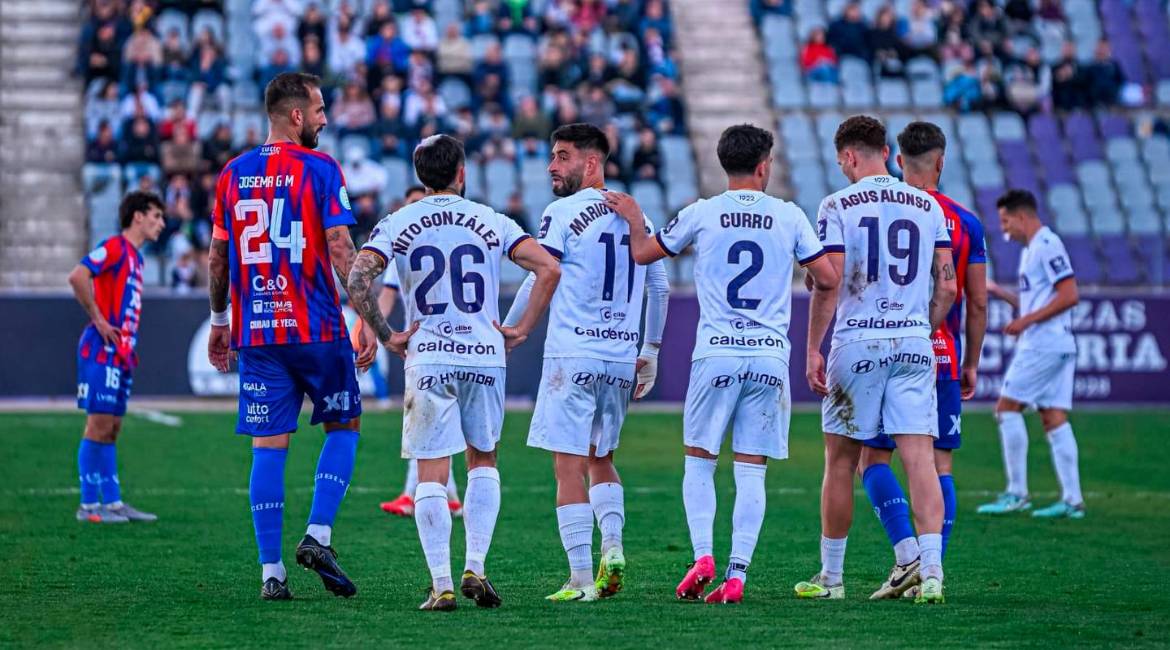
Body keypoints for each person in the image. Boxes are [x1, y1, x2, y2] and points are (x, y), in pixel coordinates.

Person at [613, 124, 837, 604]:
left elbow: (643, 253)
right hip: (769, 355)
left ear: (724, 165)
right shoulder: (789, 215)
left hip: (716, 350)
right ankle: (737, 573)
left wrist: (635, 218)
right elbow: (827, 276)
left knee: (700, 459)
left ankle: (702, 555)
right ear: (764, 166)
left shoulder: (703, 212)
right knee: (751, 468)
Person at [348, 134, 560, 611]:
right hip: (484, 354)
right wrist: (520, 327)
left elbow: (359, 277)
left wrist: (386, 335)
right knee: (483, 460)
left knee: (430, 474)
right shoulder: (491, 219)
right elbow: (548, 268)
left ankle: (442, 583)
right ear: (461, 173)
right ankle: (476, 567)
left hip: (428, 357)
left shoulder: (398, 222)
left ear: (420, 176)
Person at [206, 72, 378, 601]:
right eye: (320, 109)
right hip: (317, 326)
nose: (326, 118)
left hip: (257, 330)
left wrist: (219, 320)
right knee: (344, 423)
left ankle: (271, 574)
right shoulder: (321, 167)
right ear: (297, 115)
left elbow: (218, 257)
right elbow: (341, 248)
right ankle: (318, 535)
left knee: (268, 445)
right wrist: (365, 315)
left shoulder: (232, 174)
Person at [504, 123, 670, 603]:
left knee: (568, 466)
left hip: (572, 356)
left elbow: (541, 277)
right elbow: (658, 286)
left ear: (591, 163)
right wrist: (651, 350)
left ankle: (579, 579)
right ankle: (612, 547)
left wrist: (511, 330)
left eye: (561, 156)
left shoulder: (561, 212)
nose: (552, 166)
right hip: (620, 357)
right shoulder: (635, 214)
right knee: (603, 458)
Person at [794, 115, 956, 604]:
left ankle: (832, 577)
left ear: (848, 155)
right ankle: (931, 573)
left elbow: (831, 280)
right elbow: (946, 283)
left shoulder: (837, 203)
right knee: (920, 459)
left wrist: (812, 348)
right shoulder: (926, 205)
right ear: (886, 151)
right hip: (911, 341)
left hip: (859, 341)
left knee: (841, 462)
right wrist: (922, 328)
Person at [858, 122, 988, 599]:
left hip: (883, 347)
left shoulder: (874, 209)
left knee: (872, 458)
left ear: (897, 160)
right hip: (940, 356)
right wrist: (970, 360)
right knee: (939, 466)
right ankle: (931, 572)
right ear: (942, 160)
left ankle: (906, 554)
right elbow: (974, 301)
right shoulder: (965, 221)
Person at [977, 189, 1084, 519]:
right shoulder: (1031, 250)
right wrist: (1000, 294)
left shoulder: (1047, 245)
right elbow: (1036, 302)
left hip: (1044, 343)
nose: (1004, 228)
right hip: (1056, 342)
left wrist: (1026, 321)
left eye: (1006, 221)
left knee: (1006, 408)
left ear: (1023, 217)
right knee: (1053, 418)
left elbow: (1069, 295)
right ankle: (1073, 500)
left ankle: (1016, 493)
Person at [69, 191, 166, 524]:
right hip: (100, 348)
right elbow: (78, 275)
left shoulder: (136, 258)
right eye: (156, 216)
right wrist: (97, 317)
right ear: (137, 216)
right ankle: (87, 506)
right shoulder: (113, 247)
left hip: (121, 352)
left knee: (112, 427)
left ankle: (112, 503)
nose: (161, 224)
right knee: (97, 425)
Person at [376, 185, 466, 517]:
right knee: (439, 422)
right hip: (448, 345)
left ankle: (419, 496)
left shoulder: (450, 237)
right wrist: (373, 330)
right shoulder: (406, 244)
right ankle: (451, 496)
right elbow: (386, 297)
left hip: (434, 347)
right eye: (410, 204)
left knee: (433, 424)